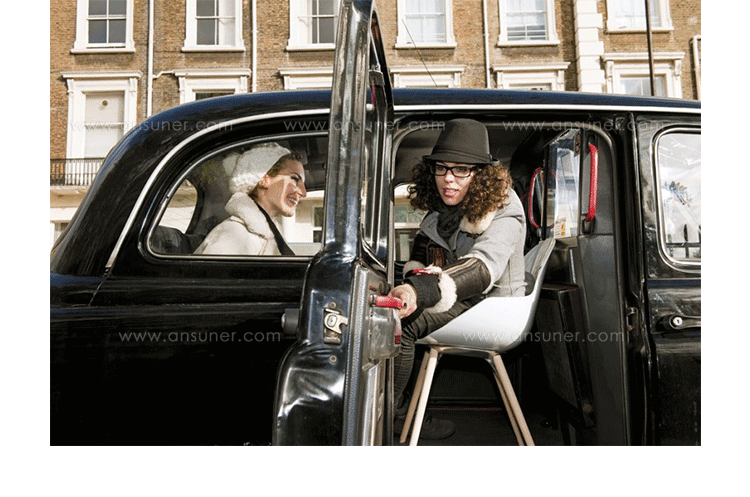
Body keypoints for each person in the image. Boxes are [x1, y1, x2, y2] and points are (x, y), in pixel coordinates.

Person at [388, 119, 527, 440]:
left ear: (481, 175)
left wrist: (416, 291)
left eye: (461, 170)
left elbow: (482, 268)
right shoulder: (442, 213)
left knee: (402, 324)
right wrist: (397, 283)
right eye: (442, 168)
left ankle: (394, 416)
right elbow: (419, 258)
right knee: (387, 311)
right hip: (466, 297)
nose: (448, 178)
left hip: (495, 305)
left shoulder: (505, 210)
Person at [194, 142, 307, 256]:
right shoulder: (234, 235)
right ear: (265, 179)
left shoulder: (270, 235)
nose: (303, 193)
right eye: (295, 179)